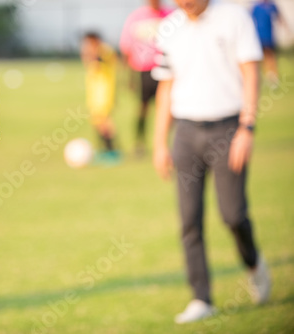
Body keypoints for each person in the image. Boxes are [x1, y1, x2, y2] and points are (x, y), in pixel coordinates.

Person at [152, 0, 271, 324]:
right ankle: (201, 298)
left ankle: (254, 264)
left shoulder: (235, 19)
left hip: (228, 128)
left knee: (233, 215)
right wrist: (160, 142)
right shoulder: (168, 27)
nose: (184, 3)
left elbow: (250, 71)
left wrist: (247, 128)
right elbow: (166, 87)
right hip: (186, 132)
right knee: (189, 220)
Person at [119, 0, 172, 156]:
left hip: (167, 69)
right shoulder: (136, 17)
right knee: (142, 108)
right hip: (144, 70)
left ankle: (167, 143)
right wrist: (129, 76)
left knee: (169, 108)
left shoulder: (171, 15)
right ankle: (140, 142)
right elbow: (126, 47)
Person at [80, 32, 120, 163]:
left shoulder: (104, 50)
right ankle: (103, 150)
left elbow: (110, 60)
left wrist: (93, 53)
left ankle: (112, 150)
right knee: (97, 121)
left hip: (105, 92)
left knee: (105, 121)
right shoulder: (91, 53)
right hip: (94, 93)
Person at [251, 0, 286, 85]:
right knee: (258, 57)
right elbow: (250, 20)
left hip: (269, 35)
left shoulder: (272, 5)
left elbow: (279, 17)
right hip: (258, 35)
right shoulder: (256, 7)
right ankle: (261, 76)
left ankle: (273, 76)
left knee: (270, 56)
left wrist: (285, 28)